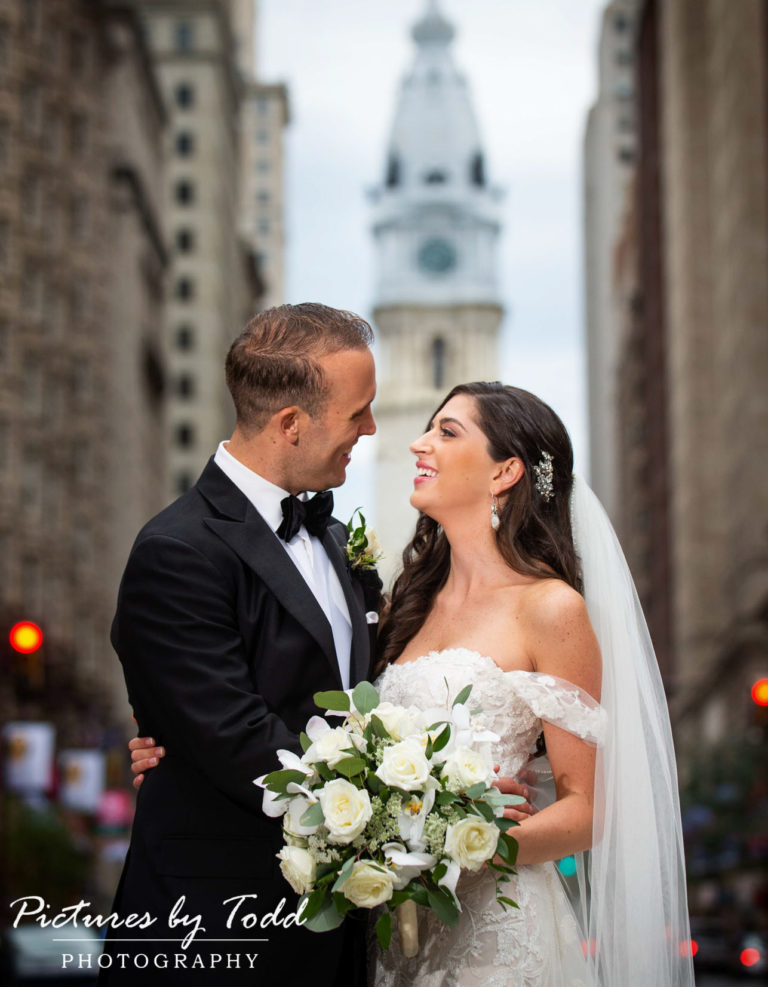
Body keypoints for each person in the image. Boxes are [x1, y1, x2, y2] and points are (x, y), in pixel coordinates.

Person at [133, 378, 694, 986]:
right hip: (386, 937)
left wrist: (457, 849)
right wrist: (182, 749)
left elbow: (588, 808)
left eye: (447, 432)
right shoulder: (402, 602)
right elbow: (323, 720)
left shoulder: (551, 609)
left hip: (494, 935)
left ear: (505, 472)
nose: (418, 444)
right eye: (428, 427)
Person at [100, 304, 382, 986]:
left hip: (338, 934)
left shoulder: (342, 543)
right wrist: (407, 801)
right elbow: (234, 735)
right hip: (217, 930)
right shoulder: (177, 549)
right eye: (358, 412)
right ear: (291, 424)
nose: (371, 429)